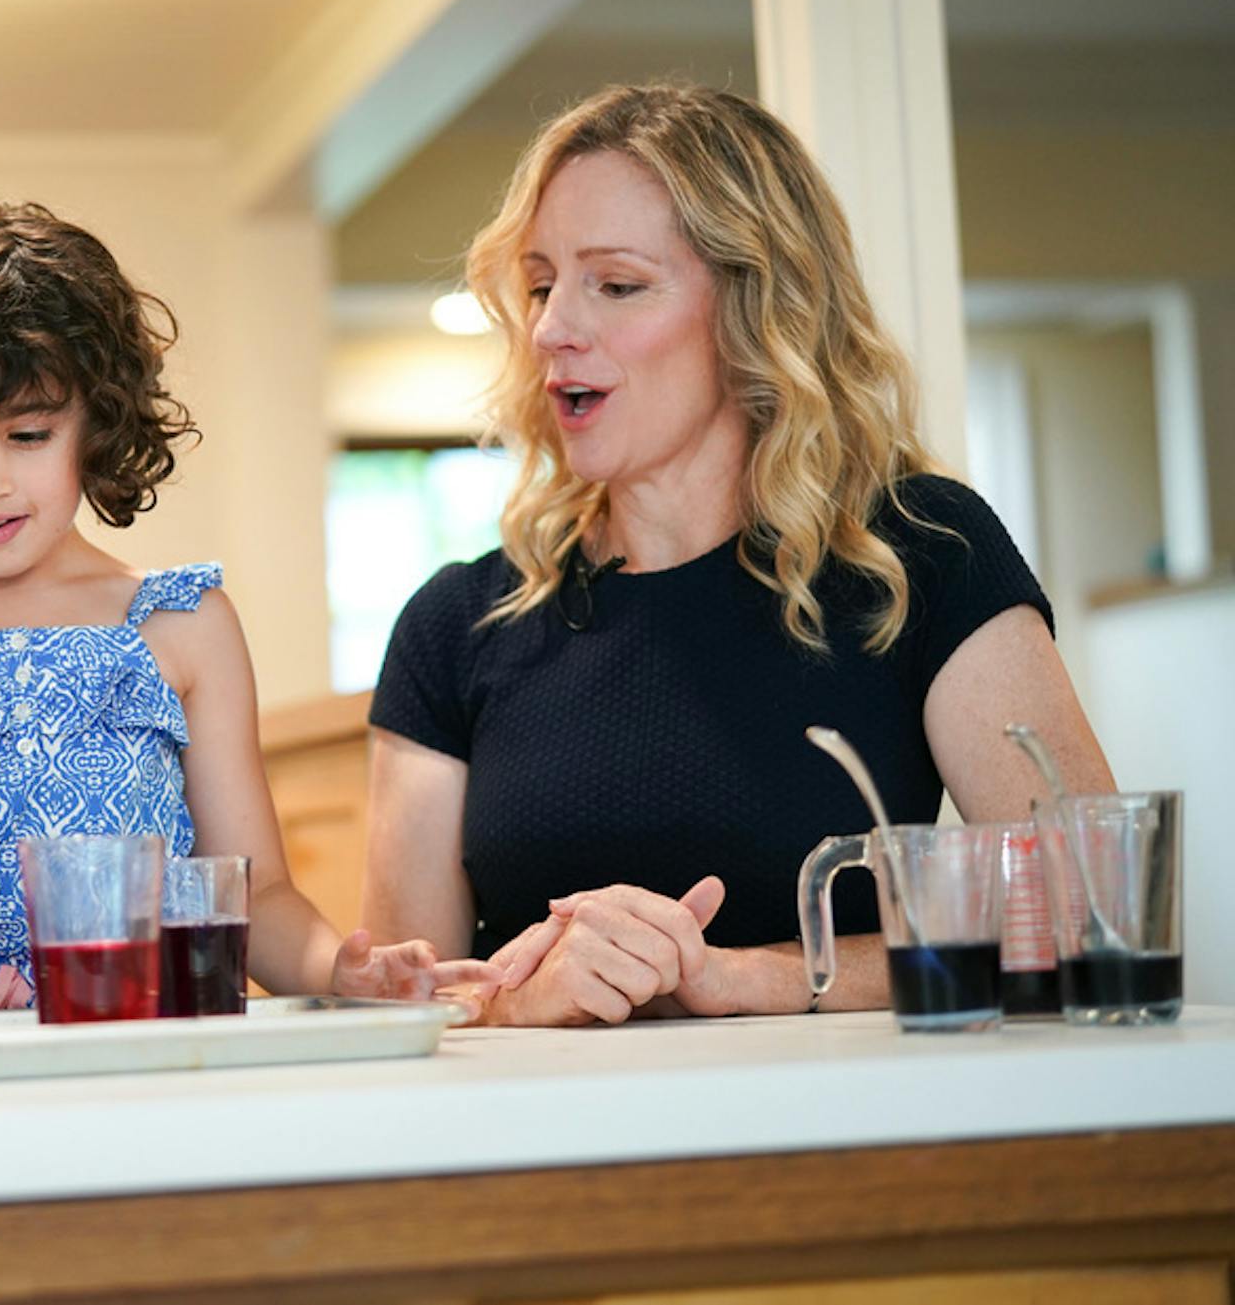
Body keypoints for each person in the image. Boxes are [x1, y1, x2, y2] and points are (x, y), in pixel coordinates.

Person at [361, 84, 1113, 1027]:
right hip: (547, 1161)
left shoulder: (923, 554)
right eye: (544, 282)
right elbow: (402, 1007)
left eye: (617, 284)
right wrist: (520, 1004)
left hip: (849, 1155)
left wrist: (750, 976)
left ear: (758, 309)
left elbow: (1089, 914)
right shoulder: (454, 625)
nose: (552, 326)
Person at [0, 203, 496, 1013]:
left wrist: (341, 969)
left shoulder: (183, 625)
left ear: (97, 424)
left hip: (145, 1070)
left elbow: (257, 898)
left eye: (30, 434)